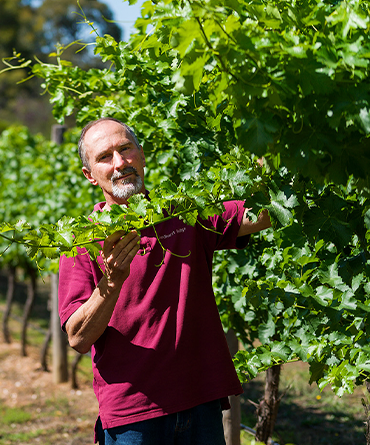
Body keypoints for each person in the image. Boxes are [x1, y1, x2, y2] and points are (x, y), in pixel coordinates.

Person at [58, 118, 271, 444]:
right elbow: (78, 337)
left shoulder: (185, 213)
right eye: (104, 157)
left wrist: (271, 141)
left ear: (141, 154)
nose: (119, 163)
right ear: (90, 175)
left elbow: (264, 214)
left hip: (202, 401)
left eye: (125, 149)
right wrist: (112, 281)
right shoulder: (81, 240)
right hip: (133, 414)